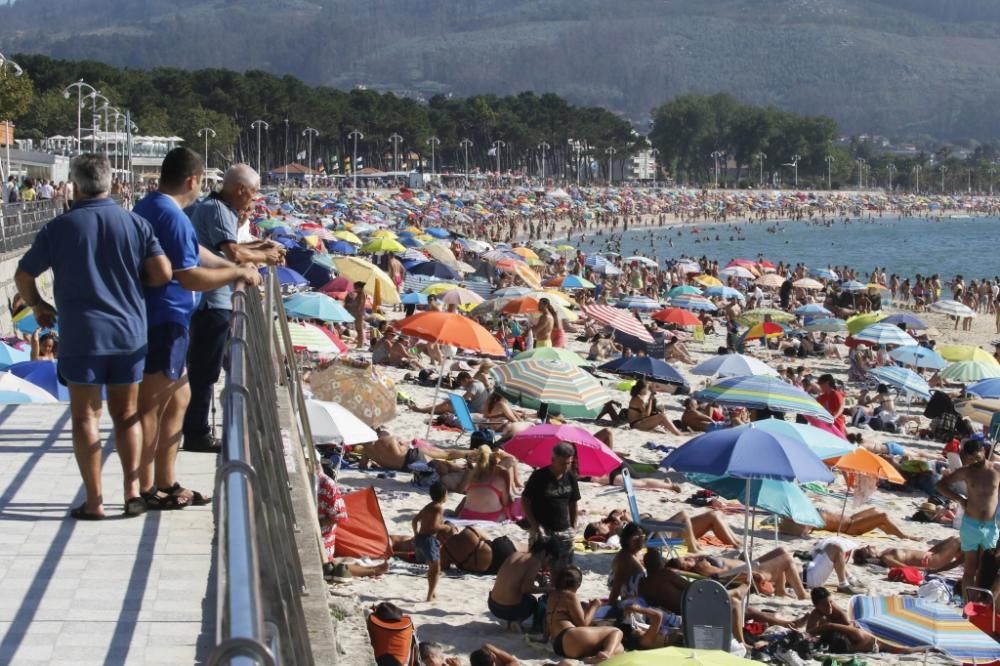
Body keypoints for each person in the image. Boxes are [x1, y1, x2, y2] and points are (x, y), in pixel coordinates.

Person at [14, 154, 172, 519]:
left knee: (86, 417)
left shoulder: (60, 228)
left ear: (73, 183)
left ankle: (95, 501)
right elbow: (163, 272)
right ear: (111, 181)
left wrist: (39, 306)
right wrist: (134, 284)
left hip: (83, 334)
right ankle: (132, 493)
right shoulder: (134, 223)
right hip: (129, 333)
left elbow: (23, 276)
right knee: (127, 415)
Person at [134, 148, 261, 509]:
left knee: (179, 398)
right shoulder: (170, 215)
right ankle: (147, 489)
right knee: (153, 407)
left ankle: (166, 480)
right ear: (193, 180)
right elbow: (189, 276)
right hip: (164, 318)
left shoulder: (155, 207)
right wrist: (236, 271)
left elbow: (197, 253)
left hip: (167, 318)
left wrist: (237, 266)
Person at [182, 164, 285, 452]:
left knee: (221, 365)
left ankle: (206, 427)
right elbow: (233, 252)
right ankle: (196, 433)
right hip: (211, 300)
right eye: (253, 194)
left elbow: (230, 247)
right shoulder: (217, 209)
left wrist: (263, 247)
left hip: (216, 297)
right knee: (205, 370)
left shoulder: (220, 208)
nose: (253, 200)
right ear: (240, 189)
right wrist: (265, 256)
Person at [936, 438, 1000, 599]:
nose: (974, 461)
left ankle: (979, 602)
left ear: (983, 451)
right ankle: (967, 605)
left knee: (985, 570)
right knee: (970, 570)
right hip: (971, 524)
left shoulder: (996, 470)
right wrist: (960, 499)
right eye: (970, 458)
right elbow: (941, 485)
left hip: (991, 526)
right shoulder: (966, 471)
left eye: (976, 457)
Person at [789, 587, 927, 654]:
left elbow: (843, 625)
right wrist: (807, 635)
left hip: (864, 634)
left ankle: (930, 646)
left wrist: (821, 629)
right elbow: (810, 633)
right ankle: (928, 645)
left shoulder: (838, 613)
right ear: (816, 605)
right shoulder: (815, 614)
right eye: (825, 604)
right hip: (855, 638)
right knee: (904, 647)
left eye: (831, 602)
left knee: (904, 646)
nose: (830, 606)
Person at [545, 566, 624, 662]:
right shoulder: (570, 595)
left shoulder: (552, 595)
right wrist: (594, 606)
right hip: (570, 636)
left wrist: (544, 638)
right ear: (577, 584)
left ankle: (593, 658)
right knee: (616, 632)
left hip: (558, 646)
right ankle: (606, 655)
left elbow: (550, 622)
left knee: (618, 647)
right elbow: (583, 624)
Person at [522, 442, 580, 569]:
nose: (565, 467)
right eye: (562, 463)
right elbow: (525, 500)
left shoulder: (570, 477)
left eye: (568, 463)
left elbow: (573, 502)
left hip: (564, 528)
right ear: (553, 460)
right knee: (536, 567)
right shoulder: (539, 476)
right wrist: (535, 526)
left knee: (564, 567)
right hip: (542, 528)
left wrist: (573, 526)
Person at [488, 537, 558, 631]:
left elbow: (513, 575)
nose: (548, 563)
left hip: (493, 605)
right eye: (550, 559)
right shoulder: (535, 561)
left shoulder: (515, 554)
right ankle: (517, 621)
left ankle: (510, 622)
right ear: (544, 553)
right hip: (510, 610)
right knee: (532, 601)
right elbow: (527, 589)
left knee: (515, 596)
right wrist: (547, 589)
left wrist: (536, 576)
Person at [456, 445, 515, 521]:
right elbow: (506, 502)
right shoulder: (499, 479)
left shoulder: (473, 476)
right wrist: (501, 454)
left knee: (465, 499)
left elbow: (462, 490)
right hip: (490, 517)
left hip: (467, 515)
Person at [780, 507, 914, 539]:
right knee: (883, 516)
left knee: (874, 510)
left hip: (851, 518)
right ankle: (905, 536)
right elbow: (803, 532)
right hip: (851, 527)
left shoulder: (806, 513)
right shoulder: (809, 520)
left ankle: (888, 529)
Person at [413, 481, 448, 602]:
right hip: (429, 540)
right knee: (436, 569)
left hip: (421, 539)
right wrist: (446, 527)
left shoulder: (428, 506)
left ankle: (432, 593)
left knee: (432, 568)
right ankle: (429, 596)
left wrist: (416, 534)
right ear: (444, 495)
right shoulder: (438, 507)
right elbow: (434, 527)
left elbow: (415, 520)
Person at [853, 536, 962, 572]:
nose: (868, 546)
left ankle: (965, 562)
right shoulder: (886, 557)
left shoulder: (885, 552)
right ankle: (968, 564)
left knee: (952, 539)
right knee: (958, 541)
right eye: (867, 549)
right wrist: (925, 570)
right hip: (931, 561)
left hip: (930, 555)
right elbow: (904, 567)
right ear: (871, 556)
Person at [412, 371, 488, 415]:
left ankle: (421, 410)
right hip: (477, 407)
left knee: (447, 404)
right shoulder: (477, 382)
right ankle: (430, 409)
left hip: (475, 410)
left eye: (462, 383)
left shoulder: (473, 386)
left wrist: (452, 400)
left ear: (466, 379)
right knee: (448, 403)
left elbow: (463, 399)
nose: (462, 386)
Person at [345, 281, 368, 348]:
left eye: (356, 287)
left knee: (359, 329)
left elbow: (359, 305)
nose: (354, 289)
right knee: (358, 329)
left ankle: (360, 345)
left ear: (360, 288)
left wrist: (351, 305)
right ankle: (360, 344)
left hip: (359, 314)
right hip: (359, 313)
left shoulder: (361, 295)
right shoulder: (360, 294)